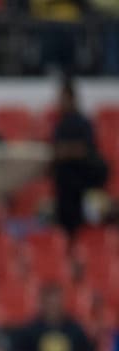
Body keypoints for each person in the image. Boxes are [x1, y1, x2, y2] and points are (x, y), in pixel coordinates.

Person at [50, 81, 107, 235]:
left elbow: (86, 149)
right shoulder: (60, 124)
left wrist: (65, 151)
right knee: (65, 228)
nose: (61, 103)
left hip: (83, 184)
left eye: (64, 99)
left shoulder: (83, 123)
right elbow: (54, 150)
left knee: (87, 227)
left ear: (73, 99)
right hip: (65, 187)